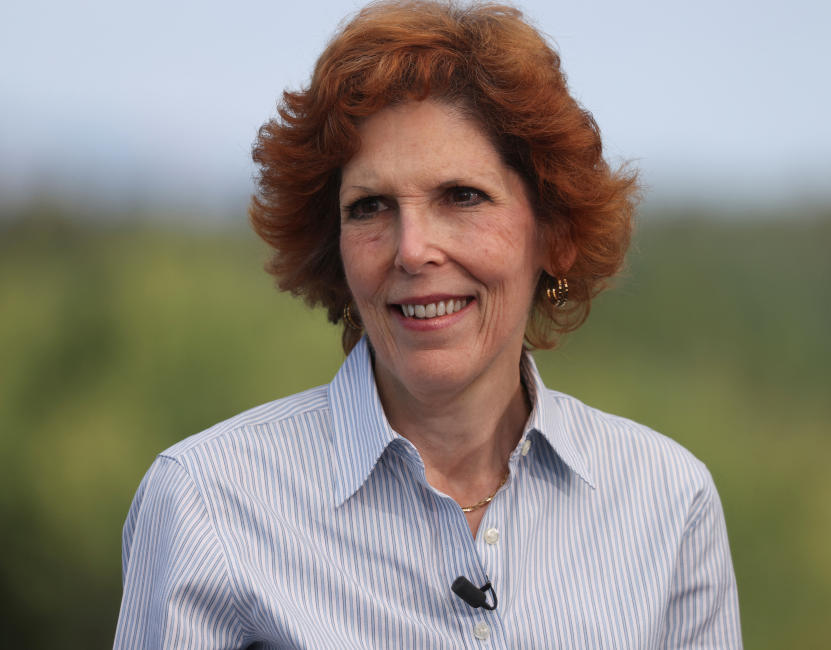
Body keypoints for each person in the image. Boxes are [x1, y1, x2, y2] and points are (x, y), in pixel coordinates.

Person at [113, 1, 742, 648]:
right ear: (332, 242)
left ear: (554, 234)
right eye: (370, 207)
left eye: (462, 196)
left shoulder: (668, 500)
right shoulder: (205, 502)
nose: (412, 250)